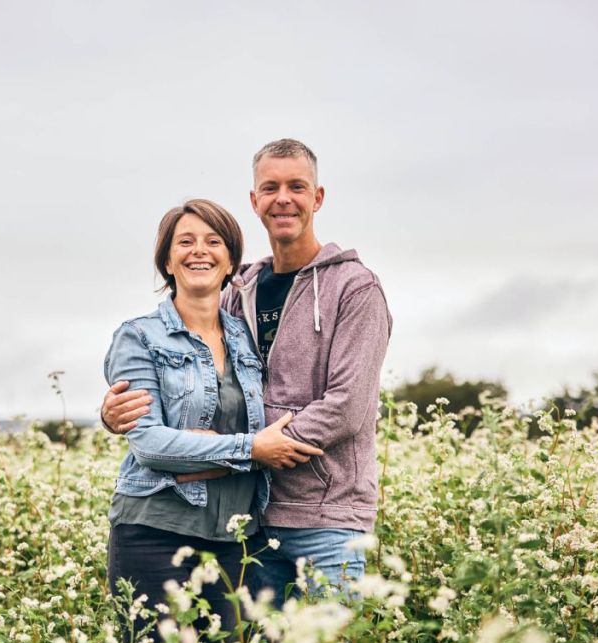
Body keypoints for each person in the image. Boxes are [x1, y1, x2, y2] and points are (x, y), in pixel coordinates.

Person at [103, 140, 392, 606]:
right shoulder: (241, 292)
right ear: (254, 200)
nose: (283, 198)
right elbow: (204, 388)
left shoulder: (354, 289)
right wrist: (116, 412)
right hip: (251, 524)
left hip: (326, 520)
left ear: (317, 198)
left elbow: (349, 407)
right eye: (270, 187)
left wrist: (251, 449)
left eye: (297, 186)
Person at [103, 198, 321, 643]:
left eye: (213, 242)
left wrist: (201, 451)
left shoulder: (247, 337)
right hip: (153, 531)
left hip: (236, 538)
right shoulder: (139, 337)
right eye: (185, 242)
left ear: (230, 261)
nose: (198, 251)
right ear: (166, 259)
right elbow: (151, 445)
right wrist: (251, 450)